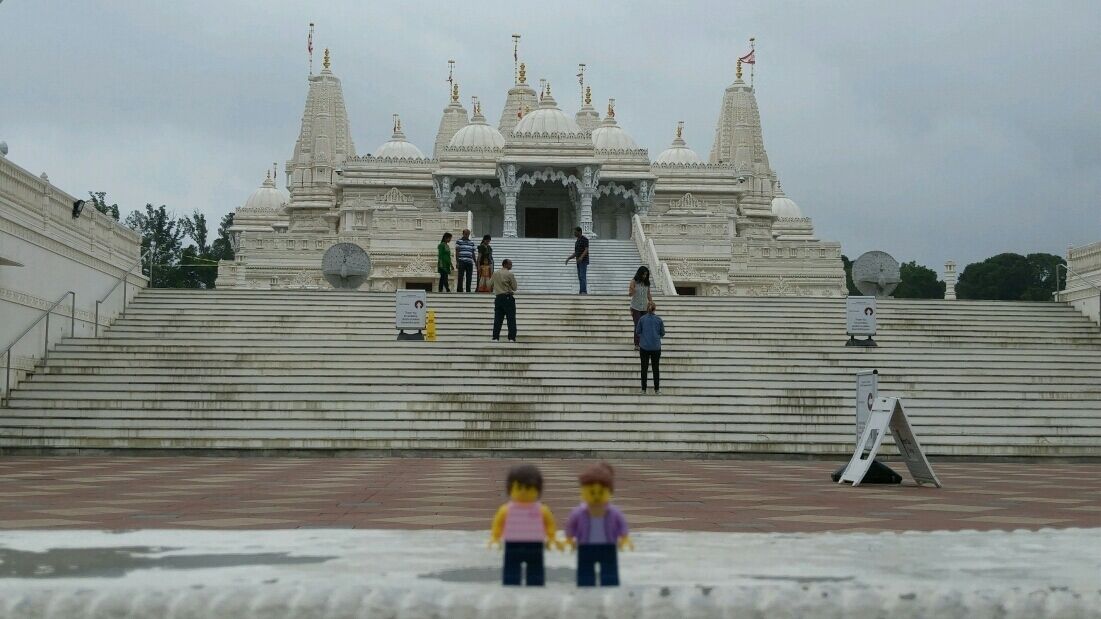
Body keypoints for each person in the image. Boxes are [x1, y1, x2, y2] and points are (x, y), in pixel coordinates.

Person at [489, 463, 563, 586]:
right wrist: (495, 538)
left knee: (535, 573)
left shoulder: (541, 510)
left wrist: (552, 538)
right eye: (519, 488)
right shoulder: (506, 510)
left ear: (537, 490)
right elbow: (498, 524)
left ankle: (534, 583)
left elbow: (550, 525)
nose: (523, 492)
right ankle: (511, 583)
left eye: (528, 488)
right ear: (510, 489)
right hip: (513, 545)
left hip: (535, 546)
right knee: (511, 573)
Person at [566, 463, 633, 587]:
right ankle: (586, 587)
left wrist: (624, 538)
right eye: (591, 492)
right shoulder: (579, 513)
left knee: (609, 575)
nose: (596, 496)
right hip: (585, 547)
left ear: (609, 491)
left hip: (608, 547)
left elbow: (622, 525)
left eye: (601, 492)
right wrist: (570, 539)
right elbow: (571, 526)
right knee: (585, 575)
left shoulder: (614, 513)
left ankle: (609, 586)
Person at [635, 301, 665, 394]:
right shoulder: (659, 320)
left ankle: (643, 389)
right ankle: (657, 389)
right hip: (656, 347)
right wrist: (656, 336)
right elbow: (662, 333)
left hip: (644, 347)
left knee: (644, 368)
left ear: (646, 308)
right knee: (656, 368)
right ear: (655, 309)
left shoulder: (642, 319)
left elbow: (637, 331)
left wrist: (644, 336)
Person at [490, 258, 518, 342]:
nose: (511, 265)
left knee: (498, 319)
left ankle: (495, 337)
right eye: (510, 264)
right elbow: (514, 287)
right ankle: (511, 338)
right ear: (505, 264)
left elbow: (489, 284)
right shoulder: (510, 274)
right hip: (508, 298)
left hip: (498, 298)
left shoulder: (495, 273)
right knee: (511, 318)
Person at [628, 266, 653, 350]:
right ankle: (637, 344)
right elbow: (630, 294)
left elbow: (648, 294)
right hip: (635, 307)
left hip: (644, 307)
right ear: (640, 273)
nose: (644, 276)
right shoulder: (634, 281)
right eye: (643, 274)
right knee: (638, 325)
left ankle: (643, 342)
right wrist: (632, 291)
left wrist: (651, 302)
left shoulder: (647, 283)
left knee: (644, 325)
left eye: (646, 275)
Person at [564, 226, 590, 294]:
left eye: (575, 232)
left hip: (583, 261)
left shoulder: (585, 239)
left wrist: (581, 257)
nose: (574, 233)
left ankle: (584, 291)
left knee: (582, 275)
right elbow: (576, 253)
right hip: (578, 261)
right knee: (580, 276)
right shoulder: (577, 242)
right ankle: (581, 291)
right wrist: (569, 258)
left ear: (579, 232)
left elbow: (586, 249)